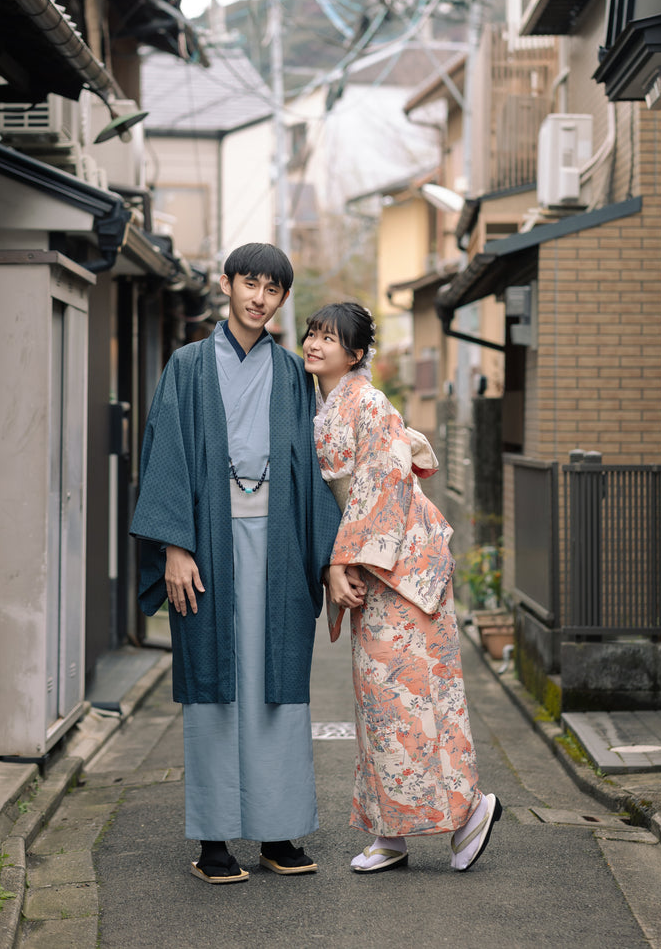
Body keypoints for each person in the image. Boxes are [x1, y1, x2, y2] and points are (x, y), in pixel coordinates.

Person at [131, 243, 340, 884]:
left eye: (272, 290)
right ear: (226, 285)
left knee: (277, 686)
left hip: (279, 547)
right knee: (214, 689)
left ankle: (278, 835)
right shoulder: (187, 365)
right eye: (250, 284)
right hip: (208, 543)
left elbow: (312, 473)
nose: (259, 298)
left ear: (282, 299)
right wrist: (174, 545)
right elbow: (166, 454)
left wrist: (331, 561)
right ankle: (216, 842)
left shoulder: (289, 374)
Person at [303, 301, 502, 874]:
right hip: (380, 564)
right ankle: (391, 833)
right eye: (312, 333)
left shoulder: (368, 403)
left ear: (356, 353)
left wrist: (344, 562)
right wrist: (340, 562)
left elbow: (381, 487)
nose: (316, 344)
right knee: (380, 702)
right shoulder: (326, 403)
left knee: (411, 700)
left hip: (402, 570)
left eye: (329, 338)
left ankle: (464, 813)